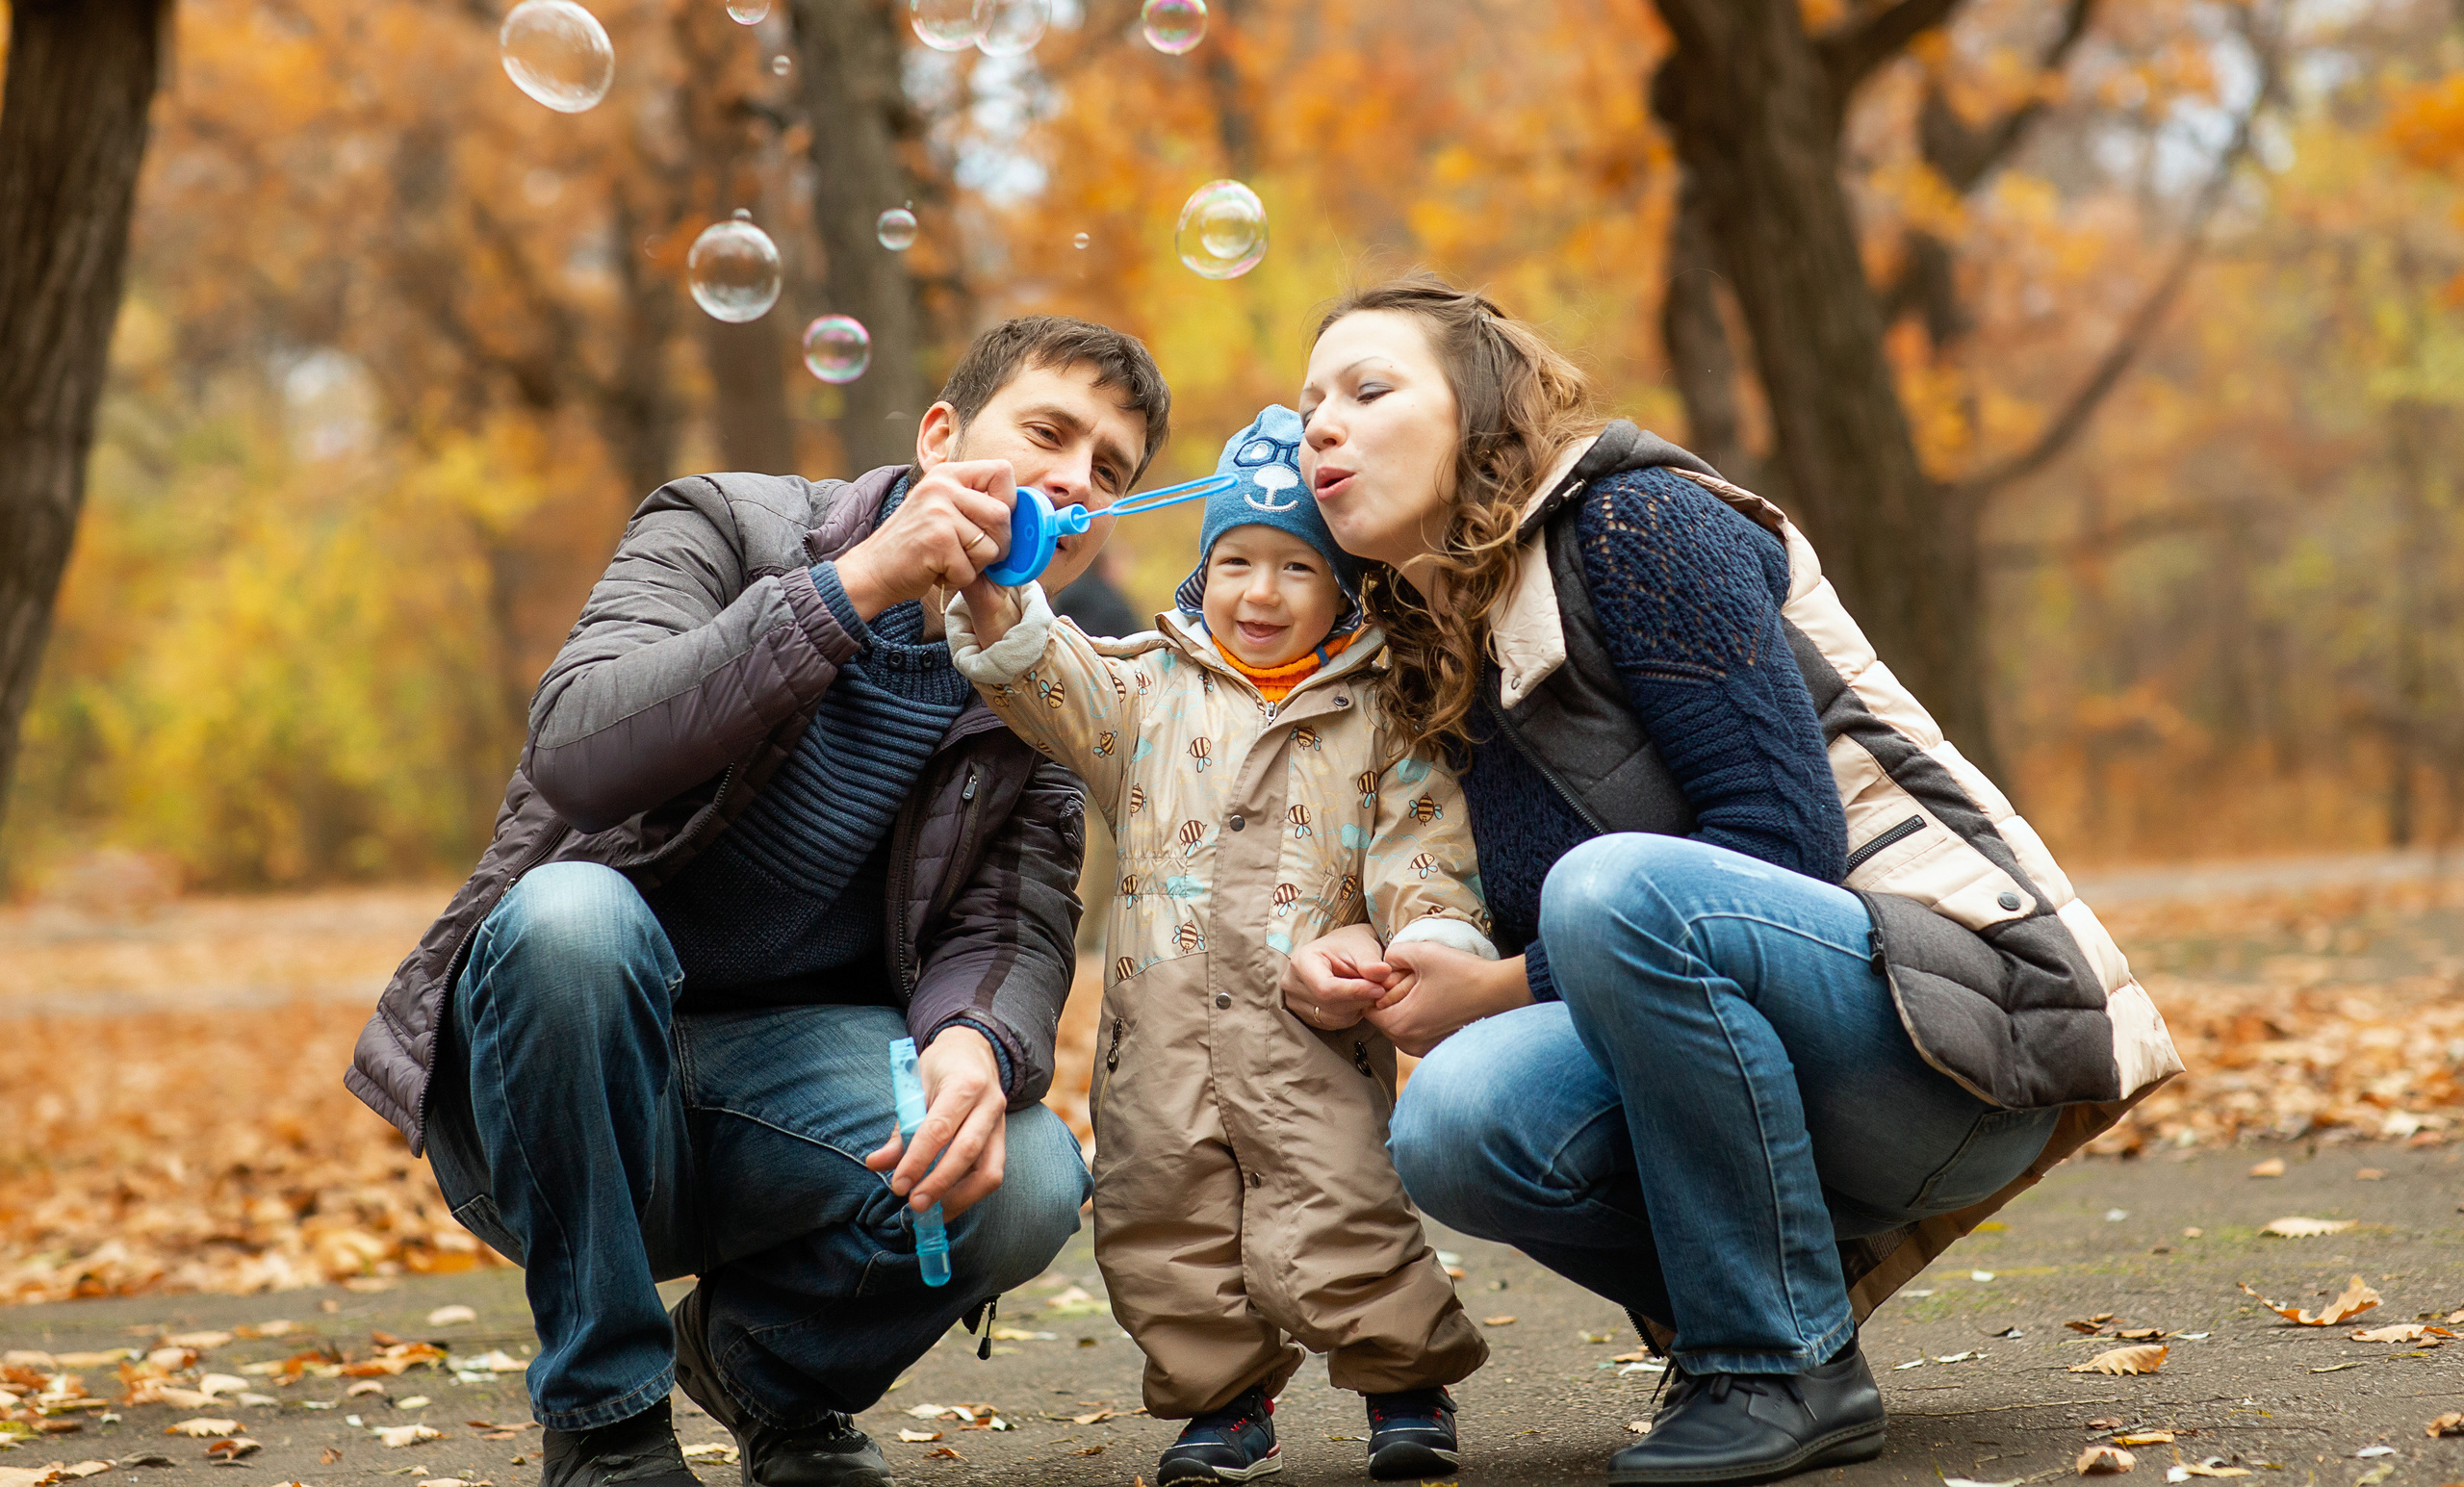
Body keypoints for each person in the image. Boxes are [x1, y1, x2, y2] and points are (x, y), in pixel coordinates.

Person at [1277, 277, 2185, 1487]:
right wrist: (1392, 946)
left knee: (1609, 890)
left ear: (1482, 416)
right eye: (1306, 407)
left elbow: (1776, 848)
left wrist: (1495, 984)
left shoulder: (1638, 522)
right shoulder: (1449, 649)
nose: (1320, 426)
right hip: (1776, 1065)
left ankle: (1778, 1360)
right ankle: (1755, 1338)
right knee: (1454, 1126)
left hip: (1954, 1035)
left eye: (1367, 389)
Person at [346, 317, 1173, 1487]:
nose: (1072, 480)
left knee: (1031, 1172)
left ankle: (765, 1373)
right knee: (571, 917)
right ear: (942, 438)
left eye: (1108, 471)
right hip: (553, 1082)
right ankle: (604, 1421)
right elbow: (581, 745)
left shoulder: (1045, 674)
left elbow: (1012, 923)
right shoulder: (725, 523)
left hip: (787, 1097)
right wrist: (857, 585)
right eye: (1048, 432)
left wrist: (976, 1045)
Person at [944, 405, 1493, 1484]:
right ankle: (1223, 1401)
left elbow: (1423, 851)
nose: (1260, 592)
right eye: (1236, 560)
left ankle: (1401, 1381)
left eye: (1296, 567)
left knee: (1340, 1199)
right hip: (1159, 1038)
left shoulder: (1379, 711)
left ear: (1343, 586)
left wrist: (1421, 935)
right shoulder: (1150, 692)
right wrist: (997, 582)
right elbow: (1040, 671)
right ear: (1206, 571)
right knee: (1163, 1221)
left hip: (1310, 1036)